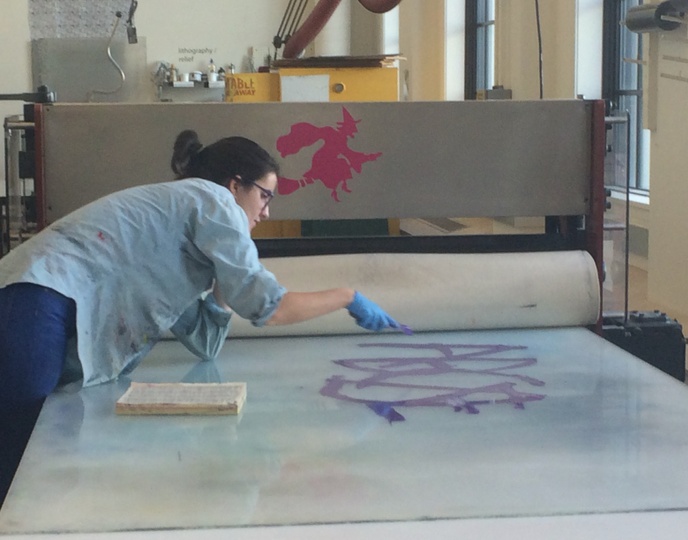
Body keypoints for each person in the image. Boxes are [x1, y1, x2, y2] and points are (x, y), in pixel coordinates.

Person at [0, 129, 399, 507]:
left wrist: (226, 276)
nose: (265, 212)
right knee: (21, 449)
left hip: (43, 303)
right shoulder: (212, 200)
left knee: (30, 454)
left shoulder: (186, 233)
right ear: (234, 185)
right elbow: (268, 308)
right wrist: (347, 297)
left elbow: (205, 343)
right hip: (40, 295)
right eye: (264, 196)